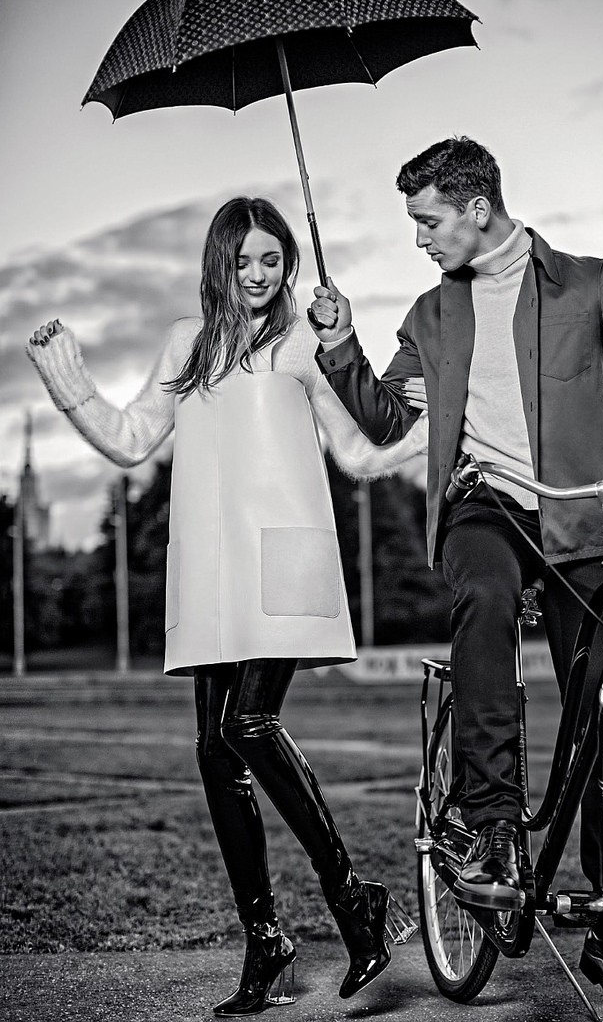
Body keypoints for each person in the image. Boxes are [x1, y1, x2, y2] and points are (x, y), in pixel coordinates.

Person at [306, 137, 603, 1016]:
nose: (419, 237)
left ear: (477, 208)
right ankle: (490, 827)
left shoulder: (590, 284)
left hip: (581, 517)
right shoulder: (430, 316)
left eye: (428, 220)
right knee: (485, 595)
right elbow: (386, 420)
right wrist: (340, 346)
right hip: (484, 507)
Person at [26, 196, 426, 1017]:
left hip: (284, 564)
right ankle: (266, 941)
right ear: (219, 263)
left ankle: (352, 897)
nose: (256, 274)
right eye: (242, 260)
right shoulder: (188, 343)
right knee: (214, 750)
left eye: (271, 259)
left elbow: (358, 453)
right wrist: (68, 380)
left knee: (248, 724)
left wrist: (434, 423)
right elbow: (131, 437)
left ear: (287, 264)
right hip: (211, 569)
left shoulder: (305, 342)